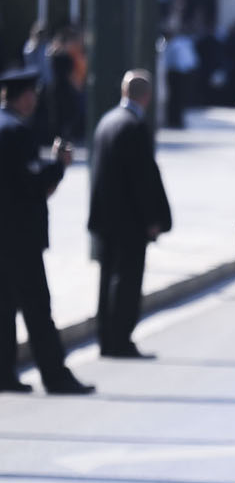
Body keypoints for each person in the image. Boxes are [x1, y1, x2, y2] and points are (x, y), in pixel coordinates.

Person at [0, 68, 89, 394]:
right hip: (20, 239)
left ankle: (4, 374)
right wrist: (58, 165)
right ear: (24, 97)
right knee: (38, 309)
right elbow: (34, 186)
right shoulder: (16, 133)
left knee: (4, 309)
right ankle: (56, 375)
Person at [87, 71, 173, 361]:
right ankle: (121, 340)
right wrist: (154, 218)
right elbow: (143, 179)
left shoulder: (106, 121)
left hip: (105, 219)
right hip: (129, 221)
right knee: (127, 281)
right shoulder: (134, 126)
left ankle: (106, 339)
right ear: (146, 96)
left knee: (107, 278)